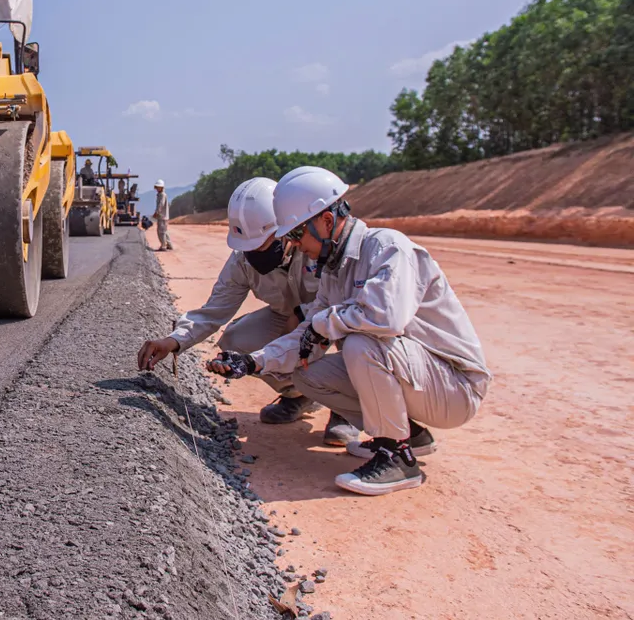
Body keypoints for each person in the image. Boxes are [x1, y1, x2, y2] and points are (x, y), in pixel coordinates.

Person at [216, 167, 492, 496]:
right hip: (418, 379)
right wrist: (254, 362)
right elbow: (308, 334)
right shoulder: (335, 272)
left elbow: (386, 318)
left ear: (327, 222)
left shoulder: (387, 248)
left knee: (362, 343)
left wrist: (322, 323)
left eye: (297, 235)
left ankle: (396, 458)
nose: (296, 246)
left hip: (453, 387)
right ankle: (411, 435)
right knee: (309, 376)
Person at [136, 178, 358, 444]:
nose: (254, 255)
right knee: (236, 341)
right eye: (248, 248)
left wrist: (307, 320)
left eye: (261, 245)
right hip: (285, 318)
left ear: (286, 230)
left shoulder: (317, 246)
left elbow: (347, 301)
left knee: (353, 336)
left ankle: (347, 411)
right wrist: (173, 341)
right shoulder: (242, 260)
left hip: (331, 317)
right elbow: (214, 310)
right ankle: (298, 396)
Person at [152, 179, 172, 251]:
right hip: (163, 216)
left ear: (162, 187)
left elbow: (161, 205)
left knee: (161, 232)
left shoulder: (162, 195)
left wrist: (156, 212)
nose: (157, 188)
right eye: (156, 187)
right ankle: (169, 245)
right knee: (165, 231)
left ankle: (163, 246)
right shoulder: (160, 195)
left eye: (158, 187)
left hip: (162, 216)